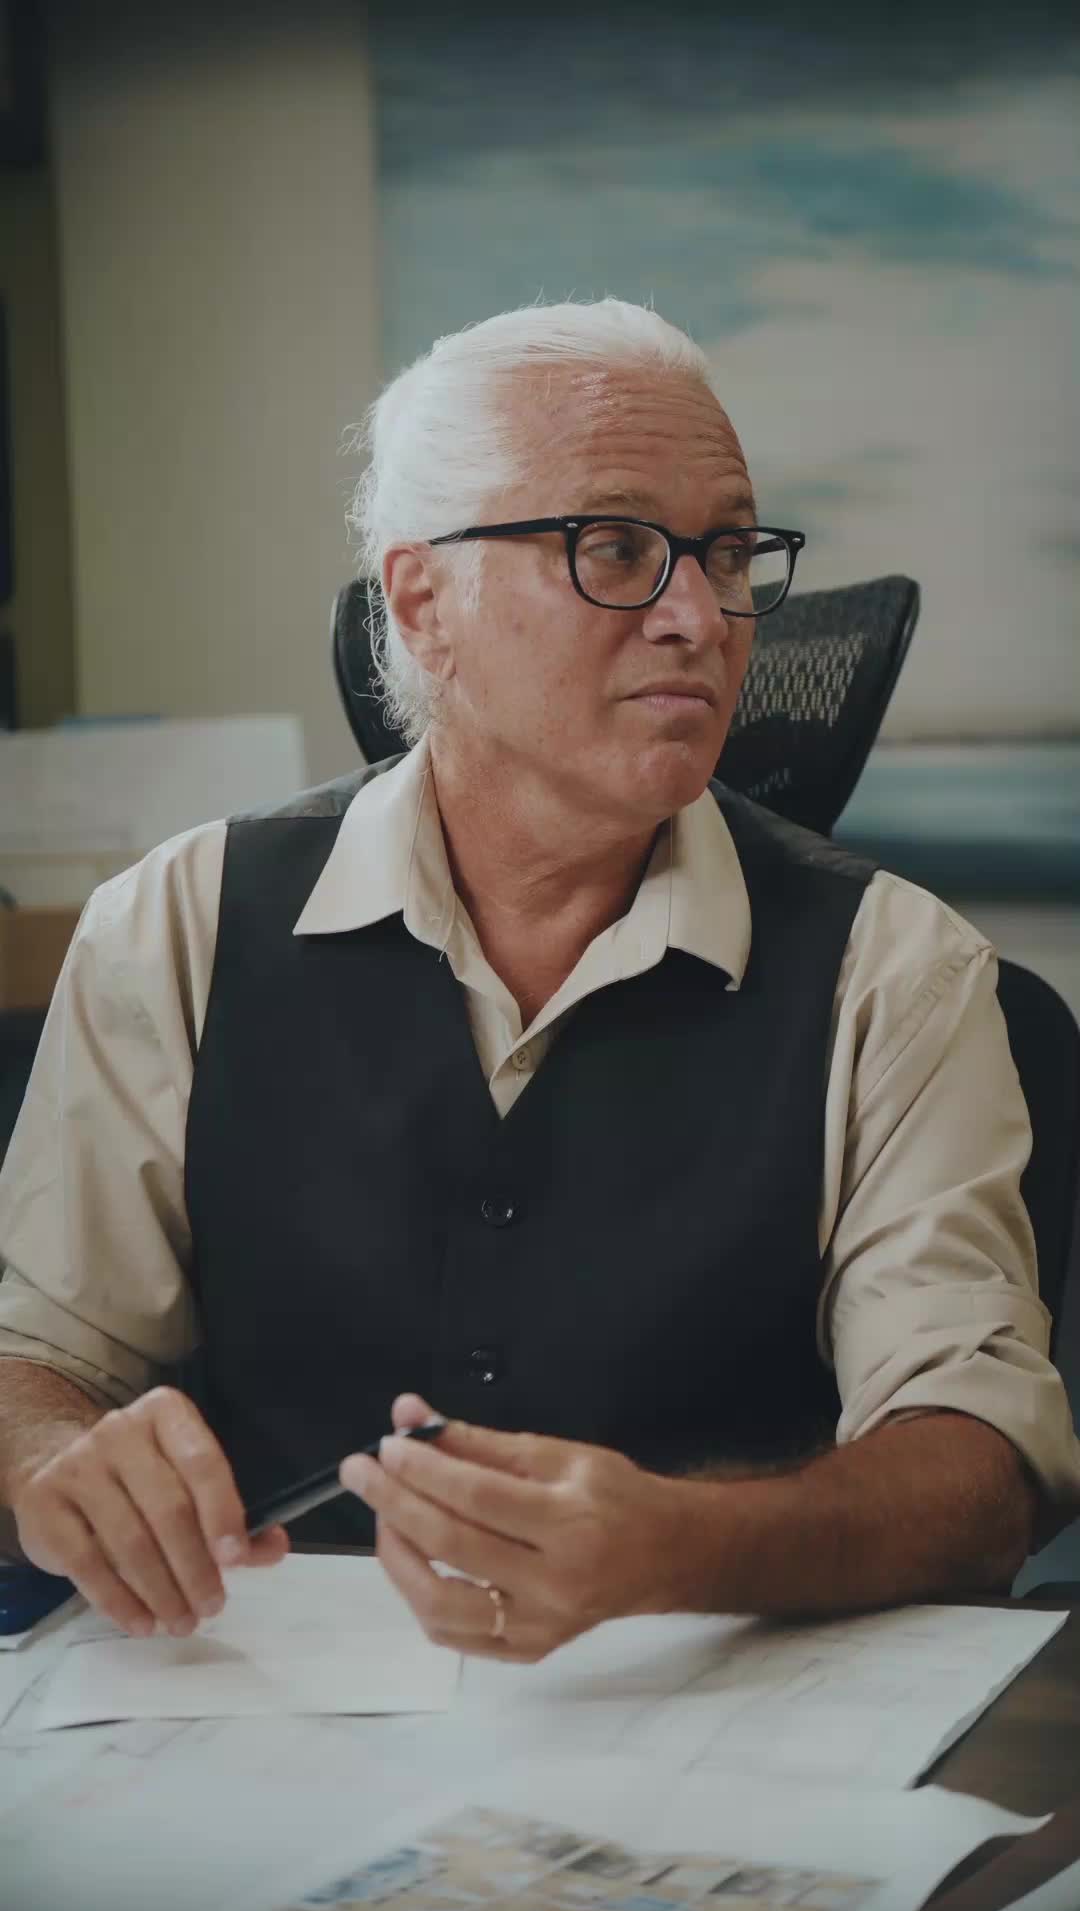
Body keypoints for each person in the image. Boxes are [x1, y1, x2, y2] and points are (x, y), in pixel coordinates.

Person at [0, 300, 1077, 1666]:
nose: (701, 616)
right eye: (615, 547)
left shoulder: (901, 970)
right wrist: (48, 1458)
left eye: (727, 552)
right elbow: (36, 1358)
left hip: (719, 1714)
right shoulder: (174, 928)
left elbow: (983, 1464)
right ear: (423, 603)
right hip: (257, 1704)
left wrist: (687, 1547)